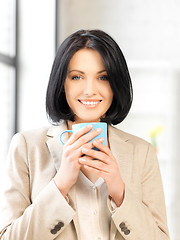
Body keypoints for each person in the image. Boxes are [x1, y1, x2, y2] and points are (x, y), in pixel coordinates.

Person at [0, 29, 169, 240]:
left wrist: (120, 192)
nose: (89, 90)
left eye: (103, 77)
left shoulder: (141, 152)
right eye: (77, 77)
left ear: (116, 85)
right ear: (62, 84)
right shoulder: (26, 147)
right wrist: (60, 184)